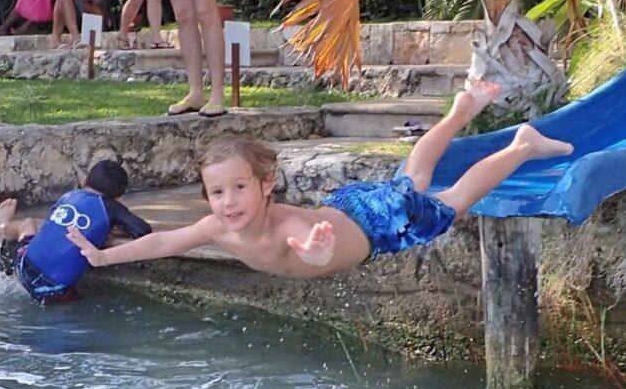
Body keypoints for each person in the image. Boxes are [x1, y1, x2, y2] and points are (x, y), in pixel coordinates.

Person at [66, 81, 573, 278]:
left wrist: (314, 252)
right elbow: (160, 242)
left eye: (240, 187)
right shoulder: (215, 228)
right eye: (218, 192)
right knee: (412, 177)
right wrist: (103, 255)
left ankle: (521, 145)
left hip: (376, 225)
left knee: (452, 201)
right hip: (348, 204)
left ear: (266, 185)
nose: (228, 202)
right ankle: (460, 111)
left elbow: (309, 247)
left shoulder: (283, 221)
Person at [0, 160, 152, 304]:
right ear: (118, 196)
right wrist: (116, 227)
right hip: (53, 291)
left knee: (27, 224)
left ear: (85, 180)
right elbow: (143, 230)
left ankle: (2, 230)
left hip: (23, 265)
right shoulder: (111, 208)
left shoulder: (67, 197)